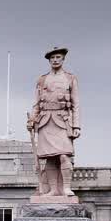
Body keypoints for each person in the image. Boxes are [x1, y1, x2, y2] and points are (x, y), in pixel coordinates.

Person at [27, 47, 81, 198]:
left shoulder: (70, 78)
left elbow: (76, 103)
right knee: (50, 157)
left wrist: (76, 125)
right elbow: (36, 103)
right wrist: (32, 119)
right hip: (45, 121)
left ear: (63, 59)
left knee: (64, 155)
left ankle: (66, 188)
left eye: (58, 57)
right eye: (52, 58)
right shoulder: (42, 79)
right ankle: (53, 190)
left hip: (63, 121)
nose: (55, 60)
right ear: (49, 61)